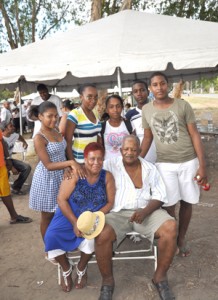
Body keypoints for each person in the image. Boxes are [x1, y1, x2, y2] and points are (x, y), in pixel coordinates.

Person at [99, 135, 176, 300]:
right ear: (120, 150)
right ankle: (107, 282)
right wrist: (73, 167)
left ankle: (160, 277)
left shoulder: (150, 168)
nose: (129, 153)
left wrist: (145, 211)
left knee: (170, 227)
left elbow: (160, 195)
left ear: (140, 151)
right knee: (102, 233)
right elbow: (91, 167)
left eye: (134, 149)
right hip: (118, 214)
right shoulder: (109, 165)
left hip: (146, 211)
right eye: (126, 149)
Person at [140, 71, 207, 257]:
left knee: (187, 202)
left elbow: (194, 134)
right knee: (169, 204)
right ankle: (171, 237)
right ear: (150, 88)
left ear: (168, 85)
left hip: (188, 161)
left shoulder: (182, 105)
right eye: (155, 84)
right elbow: (147, 138)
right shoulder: (147, 110)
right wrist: (138, 161)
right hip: (165, 165)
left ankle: (181, 239)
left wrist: (202, 165)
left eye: (162, 83)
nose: (159, 87)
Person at [44, 142, 115, 293]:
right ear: (84, 158)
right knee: (51, 236)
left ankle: (81, 267)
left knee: (90, 238)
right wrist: (75, 222)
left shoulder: (107, 176)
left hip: (92, 216)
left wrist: (95, 218)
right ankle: (66, 269)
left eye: (100, 159)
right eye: (92, 159)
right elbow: (61, 199)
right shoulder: (75, 172)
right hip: (69, 213)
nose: (96, 163)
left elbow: (110, 202)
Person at [29, 102, 81, 239]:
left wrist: (67, 166)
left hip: (61, 176)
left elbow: (62, 152)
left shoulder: (56, 130)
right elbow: (48, 165)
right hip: (47, 179)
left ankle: (60, 243)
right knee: (47, 216)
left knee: (62, 211)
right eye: (49, 116)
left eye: (56, 116)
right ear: (40, 116)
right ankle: (49, 250)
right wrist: (70, 163)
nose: (54, 119)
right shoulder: (39, 138)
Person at [0, 128, 32, 224]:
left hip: (1, 165)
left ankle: (14, 216)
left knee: (5, 192)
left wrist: (8, 158)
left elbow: (2, 141)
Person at [65, 84, 102, 165]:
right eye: (89, 97)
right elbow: (67, 141)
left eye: (96, 97)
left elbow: (98, 137)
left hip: (94, 161)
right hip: (80, 161)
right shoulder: (75, 114)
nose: (93, 100)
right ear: (81, 97)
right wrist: (73, 163)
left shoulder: (95, 113)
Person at [125, 80, 156, 164]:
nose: (139, 93)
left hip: (160, 158)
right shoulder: (130, 115)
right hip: (142, 159)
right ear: (132, 94)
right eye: (135, 91)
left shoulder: (157, 109)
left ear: (148, 92)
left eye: (142, 90)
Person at [0, 120, 31, 195]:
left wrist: (24, 142)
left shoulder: (13, 135)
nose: (13, 127)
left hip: (9, 159)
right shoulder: (1, 139)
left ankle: (15, 187)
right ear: (5, 129)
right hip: (1, 161)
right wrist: (12, 167)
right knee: (6, 172)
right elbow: (3, 157)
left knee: (27, 167)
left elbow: (19, 136)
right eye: (11, 126)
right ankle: (2, 192)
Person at [100, 94, 133, 160]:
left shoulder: (129, 124)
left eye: (118, 106)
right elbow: (100, 149)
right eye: (111, 107)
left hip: (127, 165)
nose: (115, 110)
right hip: (108, 166)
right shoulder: (102, 127)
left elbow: (134, 146)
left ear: (122, 107)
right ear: (106, 109)